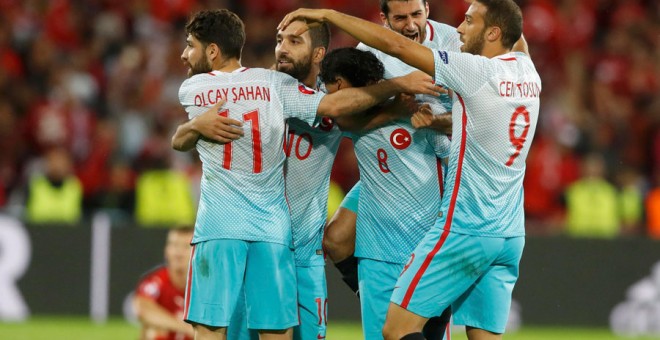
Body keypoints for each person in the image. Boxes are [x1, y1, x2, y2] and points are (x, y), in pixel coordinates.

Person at [171, 9, 441, 340]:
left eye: (294, 41)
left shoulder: (334, 100)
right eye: (279, 40)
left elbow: (349, 117)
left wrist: (396, 107)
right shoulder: (266, 87)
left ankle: (388, 295)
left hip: (302, 252)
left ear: (317, 54)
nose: (283, 48)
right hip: (261, 243)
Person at [278, 0, 541, 338]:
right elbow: (515, 36)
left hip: (463, 220)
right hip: (509, 228)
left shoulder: (474, 67)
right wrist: (404, 111)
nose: (461, 28)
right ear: (384, 17)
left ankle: (400, 298)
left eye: (470, 21)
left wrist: (328, 14)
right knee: (339, 236)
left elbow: (397, 46)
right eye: (400, 17)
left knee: (397, 329)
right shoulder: (526, 69)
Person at [320, 47, 451, 340]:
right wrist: (392, 108)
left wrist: (436, 121)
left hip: (423, 247)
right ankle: (369, 293)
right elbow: (341, 115)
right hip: (376, 254)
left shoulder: (419, 106)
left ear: (342, 85)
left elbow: (451, 152)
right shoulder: (352, 118)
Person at [133, 227, 195, 340]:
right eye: (174, 245)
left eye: (186, 246)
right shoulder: (157, 280)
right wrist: (185, 327)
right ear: (166, 250)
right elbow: (142, 308)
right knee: (152, 328)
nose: (178, 253)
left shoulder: (205, 286)